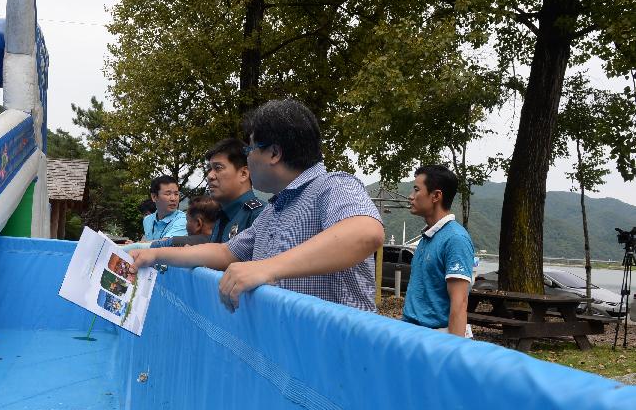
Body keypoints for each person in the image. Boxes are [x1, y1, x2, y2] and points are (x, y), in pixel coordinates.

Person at [132, 99, 384, 313]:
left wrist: (267, 268)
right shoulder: (274, 210)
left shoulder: (334, 185)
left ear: (274, 153)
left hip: (334, 360)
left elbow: (365, 233)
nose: (248, 158)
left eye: (251, 148)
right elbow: (224, 253)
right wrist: (153, 254)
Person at [402, 165, 475, 338]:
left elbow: (460, 303)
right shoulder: (428, 236)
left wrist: (453, 354)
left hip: (435, 340)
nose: (410, 196)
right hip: (411, 334)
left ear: (436, 196)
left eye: (416, 190)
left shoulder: (455, 239)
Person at [204, 138, 265, 243]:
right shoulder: (222, 217)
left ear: (243, 174)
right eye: (210, 169)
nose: (210, 176)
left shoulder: (259, 215)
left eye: (218, 168)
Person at [151, 195, 221, 248]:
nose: (186, 224)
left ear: (198, 224)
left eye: (187, 220)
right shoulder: (226, 245)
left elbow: (156, 246)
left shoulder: (180, 243)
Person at [142, 175, 187, 241]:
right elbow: (147, 242)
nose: (173, 198)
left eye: (176, 194)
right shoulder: (147, 220)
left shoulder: (184, 219)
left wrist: (136, 245)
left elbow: (164, 244)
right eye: (168, 194)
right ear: (154, 197)